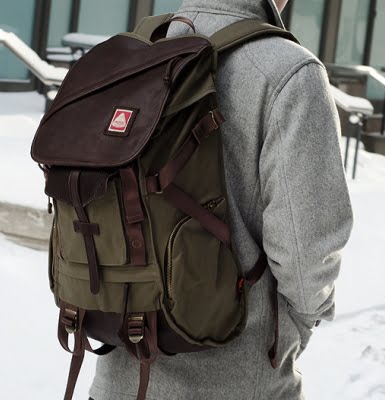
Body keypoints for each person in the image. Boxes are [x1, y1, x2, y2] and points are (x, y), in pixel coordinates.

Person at [89, 1, 353, 399]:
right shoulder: (288, 71)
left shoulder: (134, 52)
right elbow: (306, 253)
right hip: (238, 379)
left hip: (118, 377)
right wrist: (296, 324)